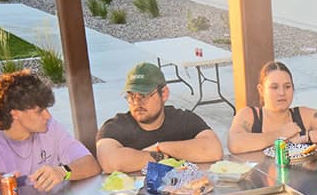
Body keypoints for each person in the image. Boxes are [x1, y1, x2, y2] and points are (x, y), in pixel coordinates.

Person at [96, 62, 224, 171]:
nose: (136, 102)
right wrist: (164, 157)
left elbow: (214, 150)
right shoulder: (115, 127)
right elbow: (110, 162)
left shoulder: (183, 120)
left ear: (164, 94)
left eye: (143, 95)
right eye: (131, 96)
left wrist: (160, 147)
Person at [225, 60, 317, 155]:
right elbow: (234, 143)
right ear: (261, 90)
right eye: (274, 87)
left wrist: (307, 136)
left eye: (287, 86)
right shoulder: (250, 116)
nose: (282, 93)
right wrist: (280, 135)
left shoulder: (303, 115)